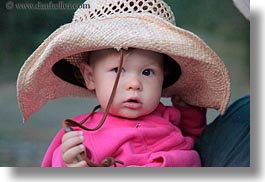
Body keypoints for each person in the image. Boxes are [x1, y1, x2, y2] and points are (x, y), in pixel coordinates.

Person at [16, 0, 231, 167]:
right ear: (90, 77)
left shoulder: (169, 116)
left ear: (163, 77)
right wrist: (70, 164)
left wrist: (190, 113)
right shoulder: (84, 135)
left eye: (147, 72)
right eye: (117, 71)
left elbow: (192, 140)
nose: (134, 84)